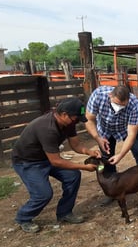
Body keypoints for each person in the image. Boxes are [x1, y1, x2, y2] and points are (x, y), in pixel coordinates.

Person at [13, 98, 101, 233]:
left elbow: (76, 145)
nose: (76, 122)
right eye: (76, 118)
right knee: (43, 194)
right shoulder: (47, 128)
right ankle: (23, 217)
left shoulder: (68, 123)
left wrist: (89, 152)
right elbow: (56, 161)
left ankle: (64, 213)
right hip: (28, 162)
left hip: (46, 158)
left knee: (73, 176)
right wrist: (83, 167)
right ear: (64, 114)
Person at [85, 85, 138, 204]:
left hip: (124, 128)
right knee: (106, 159)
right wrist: (98, 138)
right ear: (110, 95)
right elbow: (89, 119)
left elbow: (131, 134)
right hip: (104, 130)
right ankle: (112, 190)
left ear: (128, 100)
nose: (118, 108)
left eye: (122, 106)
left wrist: (120, 155)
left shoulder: (134, 103)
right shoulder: (98, 95)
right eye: (116, 104)